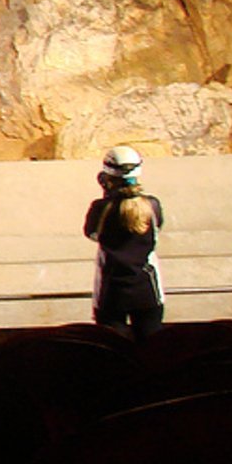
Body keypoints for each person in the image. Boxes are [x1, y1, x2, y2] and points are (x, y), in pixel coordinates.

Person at [85, 145, 165, 341]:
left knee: (113, 348)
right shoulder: (151, 205)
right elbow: (156, 229)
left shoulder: (101, 208)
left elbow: (92, 233)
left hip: (111, 290)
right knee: (151, 346)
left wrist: (108, 196)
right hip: (147, 290)